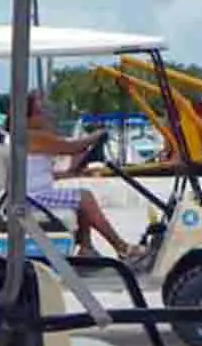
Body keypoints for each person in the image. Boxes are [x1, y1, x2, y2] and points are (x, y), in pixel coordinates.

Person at [22, 95, 141, 261]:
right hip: (32, 199)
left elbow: (36, 172)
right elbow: (71, 147)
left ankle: (87, 248)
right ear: (26, 117)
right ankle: (122, 247)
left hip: (33, 194)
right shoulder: (30, 136)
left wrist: (71, 172)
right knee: (85, 197)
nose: (44, 116)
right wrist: (97, 135)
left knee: (79, 199)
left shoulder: (28, 136)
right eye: (39, 112)